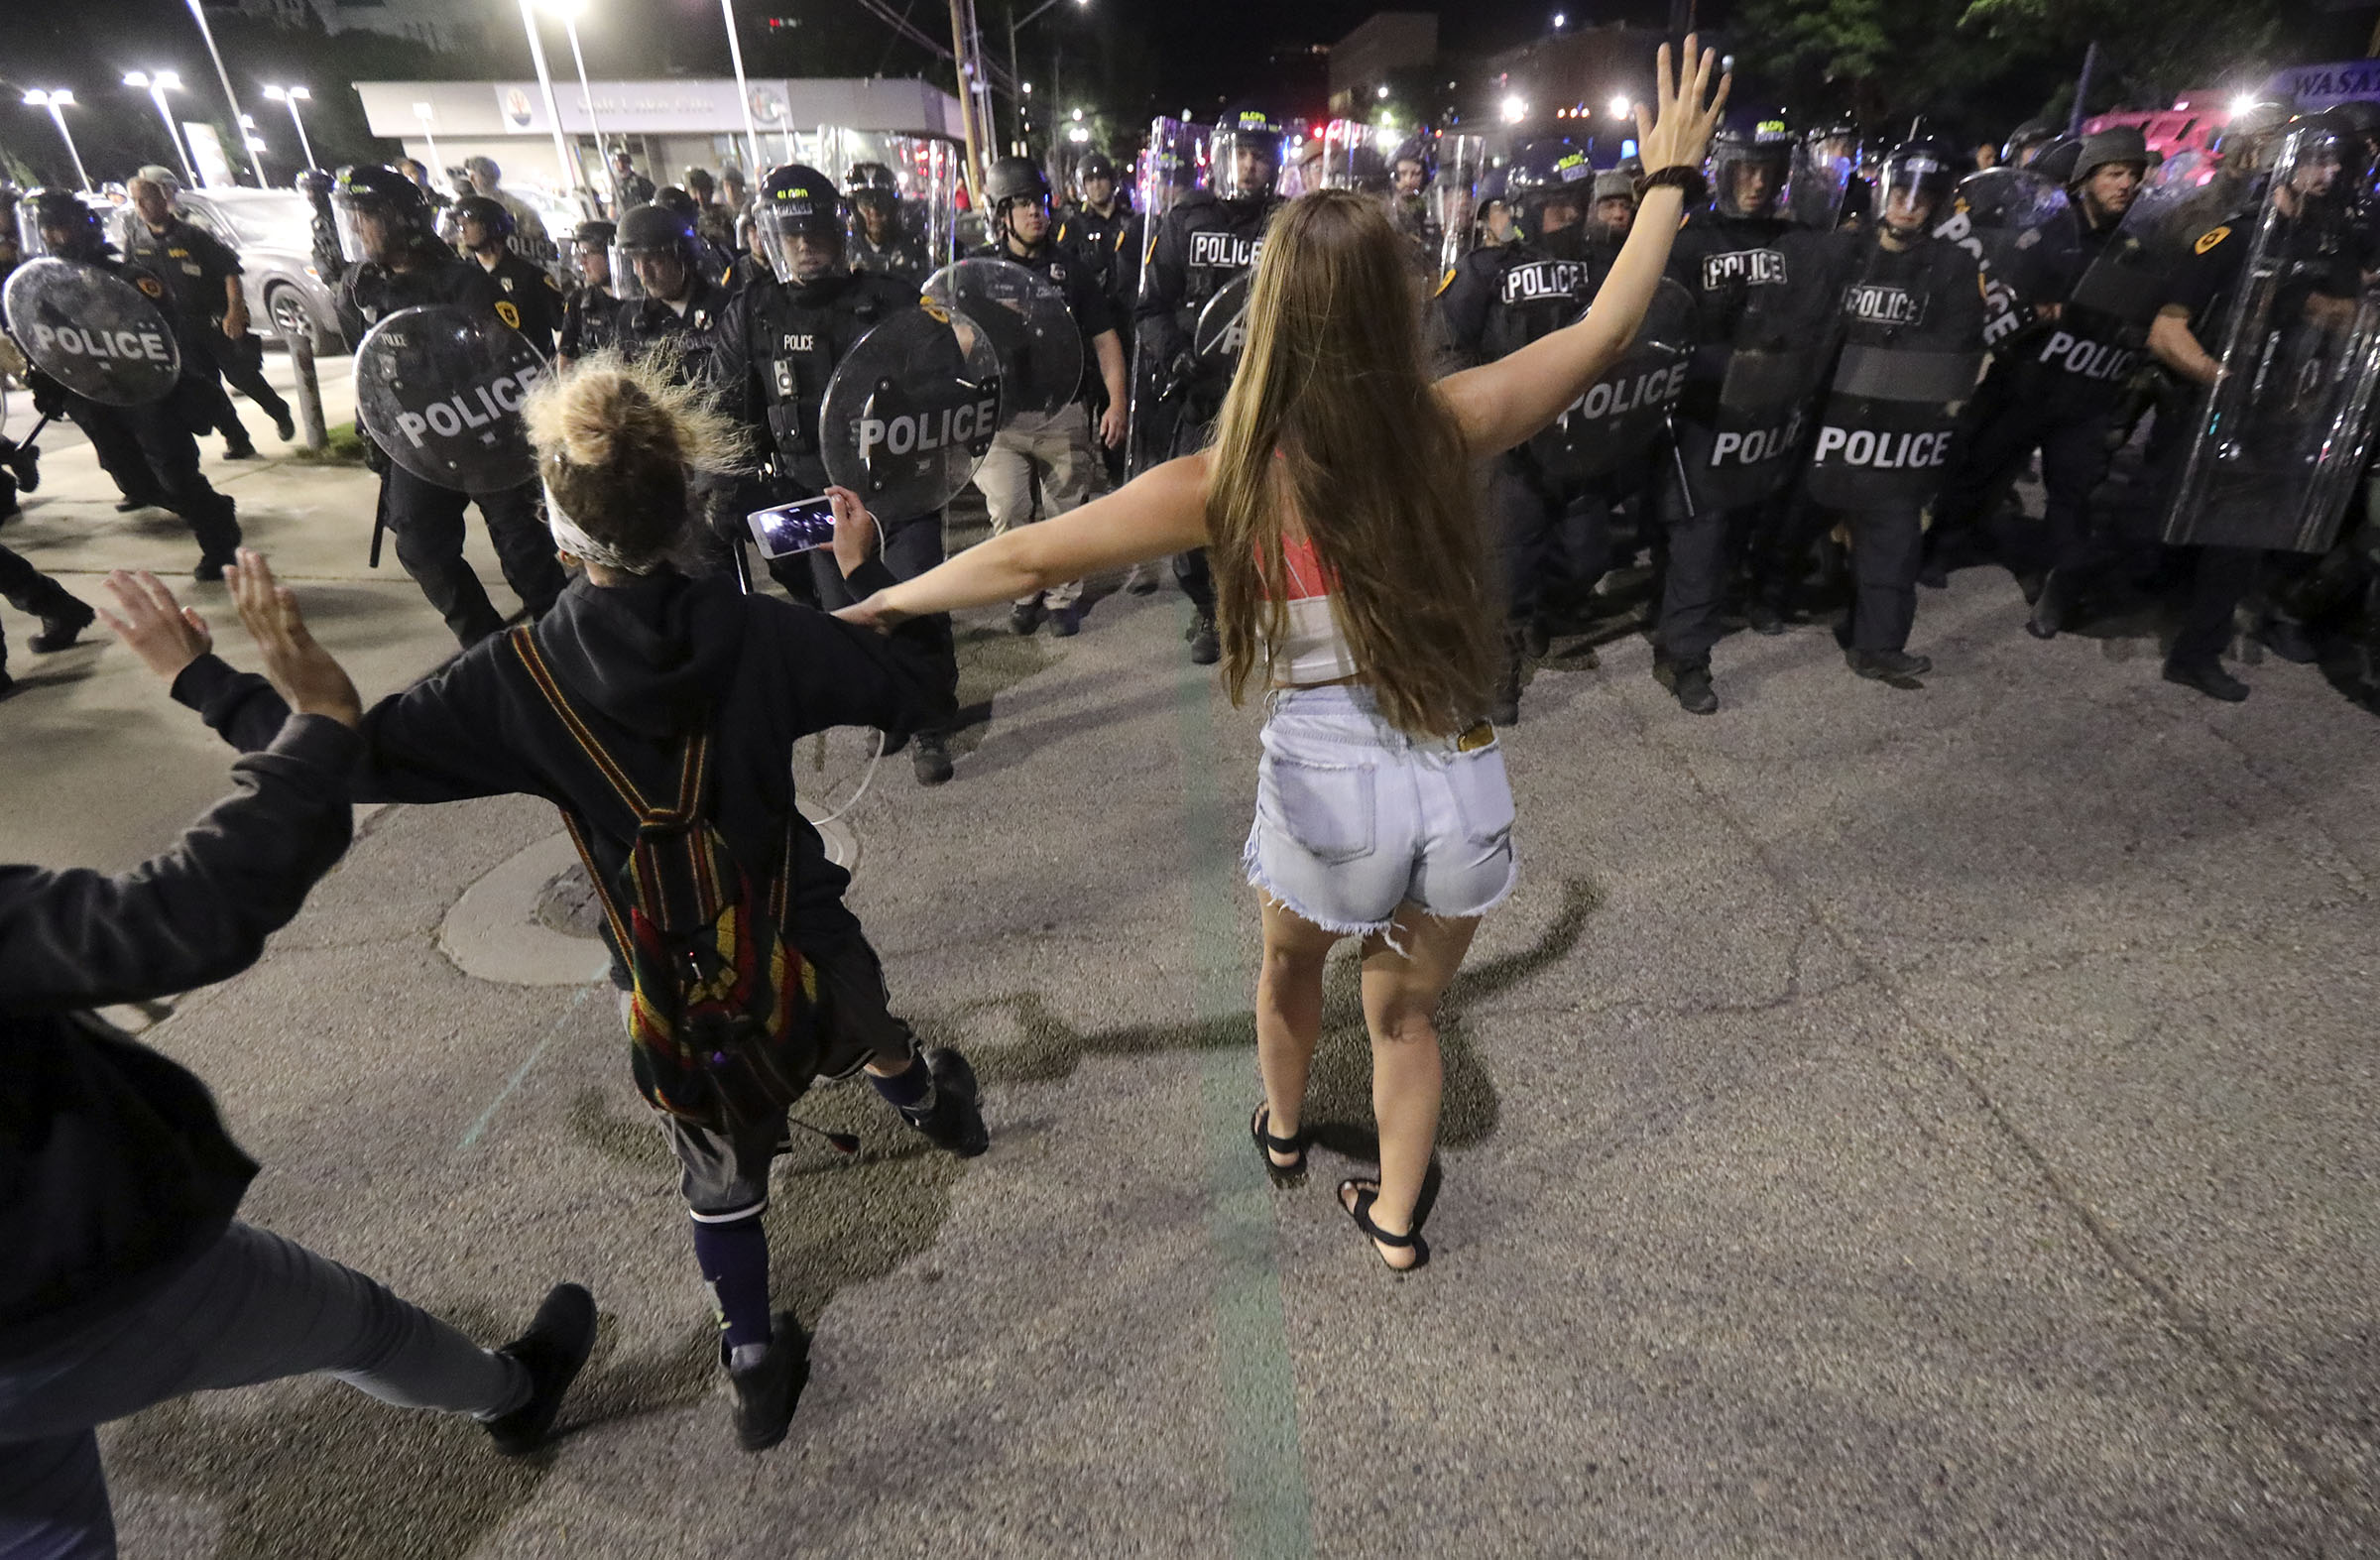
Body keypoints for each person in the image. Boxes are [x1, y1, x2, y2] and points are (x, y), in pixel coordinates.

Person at [834, 42, 1729, 1271]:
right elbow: (1611, 325)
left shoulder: (1227, 478)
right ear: (1395, 308)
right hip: (1459, 773)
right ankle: (1398, 1222)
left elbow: (1027, 556)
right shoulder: (1452, 421)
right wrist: (1669, 177)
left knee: (1286, 975)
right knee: (1406, 1020)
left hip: (1326, 787)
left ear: (1271, 315)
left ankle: (1286, 1131)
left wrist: (884, 598)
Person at [164, 366, 987, 1451]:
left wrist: (211, 681)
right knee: (859, 1012)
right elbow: (923, 691)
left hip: (669, 969)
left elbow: (352, 759)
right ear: (689, 509)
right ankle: (931, 1106)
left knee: (717, 1161)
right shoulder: (768, 635)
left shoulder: (519, 675)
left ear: (558, 533)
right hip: (799, 922)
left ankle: (750, 1359)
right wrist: (862, 570)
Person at [3, 554, 596, 1554]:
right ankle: (512, 1393)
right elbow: (182, 914)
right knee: (361, 1326)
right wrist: (315, 714)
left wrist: (208, 683)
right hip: (79, 1287)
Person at [714, 164, 962, 786]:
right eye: (792, 234)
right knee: (844, 616)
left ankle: (930, 720)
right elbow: (725, 409)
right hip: (812, 494)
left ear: (839, 232)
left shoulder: (893, 298)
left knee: (911, 600)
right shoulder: (752, 311)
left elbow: (946, 384)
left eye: (816, 232)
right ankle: (886, 708)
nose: (805, 245)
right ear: (771, 237)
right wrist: (721, 491)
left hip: (897, 488)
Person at [2138, 112, 2364, 701]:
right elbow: (2167, 330)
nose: (2330, 174)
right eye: (2318, 160)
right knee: (2156, 525)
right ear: (2287, 163)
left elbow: (2343, 318)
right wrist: (2222, 379)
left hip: (2279, 415)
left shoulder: (2327, 244)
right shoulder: (2234, 237)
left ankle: (2196, 654)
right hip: (2210, 405)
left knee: (2238, 540)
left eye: (2337, 163)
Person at [1927, 126, 2151, 640]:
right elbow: (1998, 288)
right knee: (1978, 467)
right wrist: (2032, 309)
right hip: (2025, 379)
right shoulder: (2047, 229)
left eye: (2134, 176)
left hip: (2085, 391)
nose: (2126, 185)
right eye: (2114, 173)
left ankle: (2058, 588)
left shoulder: (2134, 245)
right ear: (2086, 179)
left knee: (2073, 491)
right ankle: (1939, 547)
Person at [331, 167, 566, 646]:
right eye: (352, 215)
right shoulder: (362, 289)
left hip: (482, 429)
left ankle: (564, 641)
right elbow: (367, 367)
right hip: (419, 438)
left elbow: (510, 362)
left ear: (401, 218)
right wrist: (373, 430)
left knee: (524, 549)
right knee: (419, 544)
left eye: (366, 215)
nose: (357, 226)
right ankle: (484, 644)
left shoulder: (464, 283)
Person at [1794, 140, 1985, 682]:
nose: (1909, 204)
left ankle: (1877, 646)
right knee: (1789, 525)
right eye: (1901, 192)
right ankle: (1770, 596)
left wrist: (1872, 357)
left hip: (1896, 430)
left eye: (1922, 197)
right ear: (1885, 193)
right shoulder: (1844, 253)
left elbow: (1955, 343)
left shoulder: (1952, 265)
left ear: (1937, 204)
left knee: (1894, 540)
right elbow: (1807, 325)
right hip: (1825, 420)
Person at [1440, 136, 1610, 722]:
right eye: (1556, 204)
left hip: (1580, 435)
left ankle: (1543, 615)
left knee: (1587, 553)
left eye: (1576, 203)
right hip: (1511, 442)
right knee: (1506, 564)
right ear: (1528, 207)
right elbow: (1444, 347)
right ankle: (1498, 668)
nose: (1569, 215)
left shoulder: (1601, 267)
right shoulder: (1484, 271)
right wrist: (1480, 409)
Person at [9, 188, 244, 578]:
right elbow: (41, 343)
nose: (52, 236)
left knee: (174, 471)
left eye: (59, 227)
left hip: (141, 390)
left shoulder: (126, 278)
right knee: (131, 479)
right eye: (45, 229)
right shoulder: (42, 289)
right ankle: (211, 510)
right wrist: (47, 383)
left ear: (82, 226)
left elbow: (162, 332)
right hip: (92, 394)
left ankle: (218, 539)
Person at [1649, 120, 1799, 714]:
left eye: (1768, 171)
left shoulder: (1797, 240)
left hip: (1771, 410)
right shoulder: (1691, 241)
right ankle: (1687, 657)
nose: (1757, 183)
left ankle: (1700, 605)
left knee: (1743, 523)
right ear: (1726, 171)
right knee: (1702, 531)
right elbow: (1663, 327)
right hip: (1704, 409)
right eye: (1747, 169)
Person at [1135, 110, 1289, 663]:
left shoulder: (1288, 223)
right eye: (1241, 154)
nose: (1250, 166)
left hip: (1268, 392)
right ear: (1222, 157)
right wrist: (1175, 356)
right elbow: (1151, 307)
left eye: (1260, 156)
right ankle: (1208, 607)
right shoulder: (1186, 219)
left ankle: (1259, 604)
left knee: (1268, 506)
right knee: (1194, 509)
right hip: (1199, 393)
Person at [971, 157, 1130, 638]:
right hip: (1002, 418)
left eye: (1039, 202)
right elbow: (956, 342)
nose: (1034, 212)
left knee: (1066, 511)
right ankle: (1025, 591)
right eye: (1021, 204)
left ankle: (1063, 596)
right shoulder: (978, 271)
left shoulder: (1072, 271)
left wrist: (1117, 403)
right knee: (1009, 511)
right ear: (1000, 213)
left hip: (1062, 410)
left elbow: (1105, 341)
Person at [120, 176, 298, 458]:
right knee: (207, 390)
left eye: (146, 199)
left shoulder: (193, 235)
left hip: (215, 321)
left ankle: (278, 410)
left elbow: (230, 271)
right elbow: (131, 281)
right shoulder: (136, 241)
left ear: (162, 200)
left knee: (242, 377)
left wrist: (235, 310)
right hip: (178, 329)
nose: (141, 206)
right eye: (136, 201)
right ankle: (237, 440)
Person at [1056, 151, 1142, 495]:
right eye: (1089, 180)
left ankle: (1122, 479)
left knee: (1121, 409)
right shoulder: (1073, 227)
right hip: (1088, 334)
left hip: (1126, 327)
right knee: (1083, 419)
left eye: (1101, 177)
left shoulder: (1132, 222)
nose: (1096, 185)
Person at [451, 194, 567, 358]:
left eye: (468, 223)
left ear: (490, 226)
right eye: (459, 225)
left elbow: (567, 326)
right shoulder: (462, 279)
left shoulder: (531, 276)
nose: (462, 231)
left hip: (534, 367)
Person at [845, 162, 931, 281]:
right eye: (866, 202)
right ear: (854, 208)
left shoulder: (915, 249)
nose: (874, 211)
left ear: (893, 206)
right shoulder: (844, 251)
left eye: (881, 201)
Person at [461, 156, 552, 263]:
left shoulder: (516, 207)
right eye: (469, 176)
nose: (471, 180)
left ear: (488, 176)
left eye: (474, 176)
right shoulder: (470, 206)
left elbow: (538, 239)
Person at [557, 217, 619, 370]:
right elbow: (566, 359)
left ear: (610, 254)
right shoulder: (579, 301)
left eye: (586, 253)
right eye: (579, 254)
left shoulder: (641, 301)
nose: (582, 261)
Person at [609, 146, 657, 213]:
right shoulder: (616, 185)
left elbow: (656, 198)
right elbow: (612, 207)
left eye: (623, 162)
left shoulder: (642, 182)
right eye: (617, 163)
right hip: (626, 216)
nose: (620, 165)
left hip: (643, 214)